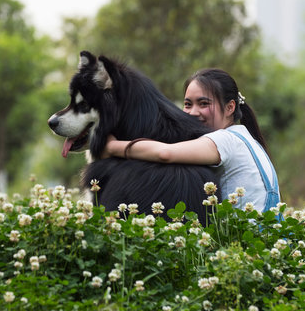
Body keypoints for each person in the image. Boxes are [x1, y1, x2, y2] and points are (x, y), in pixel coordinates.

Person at [102, 68, 281, 213]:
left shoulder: (225, 140)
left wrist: (112, 147)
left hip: (247, 246)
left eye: (203, 104)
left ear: (229, 107)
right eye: (188, 104)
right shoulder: (246, 138)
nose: (193, 112)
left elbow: (165, 153)